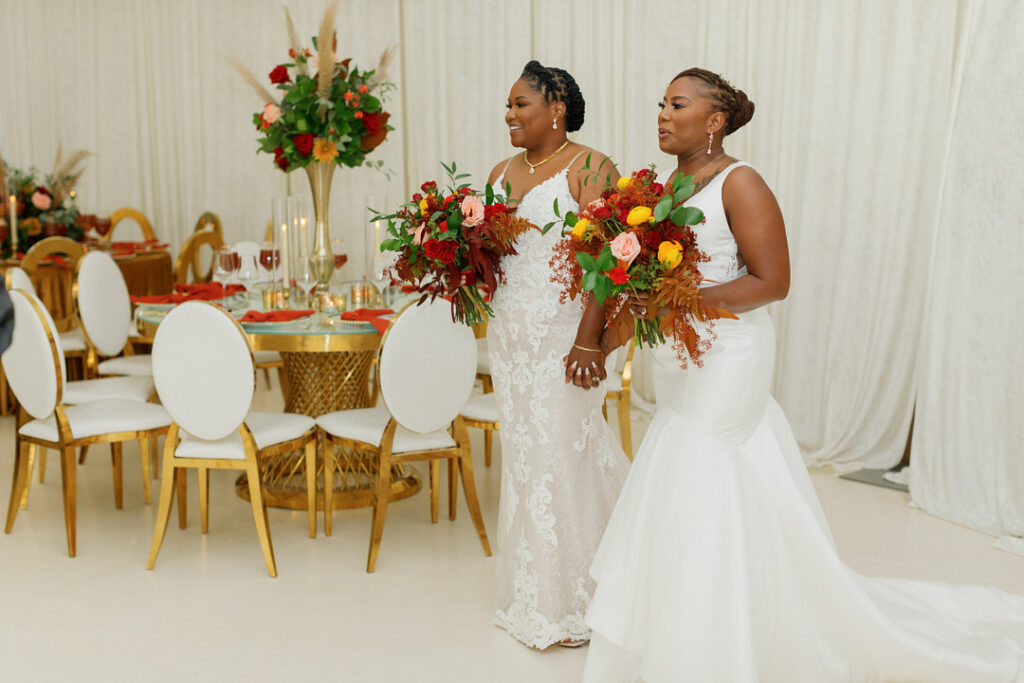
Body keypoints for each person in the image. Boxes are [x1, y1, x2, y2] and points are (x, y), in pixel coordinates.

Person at [582, 68, 1024, 682]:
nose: (662, 113)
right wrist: (611, 335)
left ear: (714, 120)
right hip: (680, 356)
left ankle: (711, 644)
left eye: (677, 104)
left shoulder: (742, 182)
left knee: (694, 467)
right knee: (700, 479)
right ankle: (701, 624)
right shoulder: (661, 189)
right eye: (661, 103)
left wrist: (684, 302)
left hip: (729, 355)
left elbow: (773, 281)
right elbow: (644, 281)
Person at [485, 60, 631, 649]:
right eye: (508, 105)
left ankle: (584, 599)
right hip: (511, 342)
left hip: (566, 336)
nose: (510, 115)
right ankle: (536, 593)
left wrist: (589, 340)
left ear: (557, 107)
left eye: (521, 104)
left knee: (562, 454)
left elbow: (609, 262)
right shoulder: (500, 171)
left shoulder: (592, 167)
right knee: (524, 457)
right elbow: (491, 257)